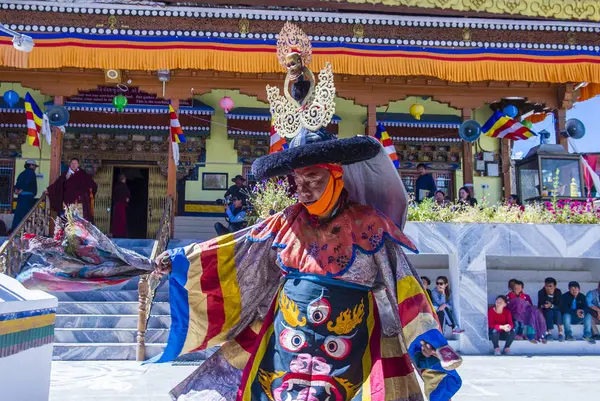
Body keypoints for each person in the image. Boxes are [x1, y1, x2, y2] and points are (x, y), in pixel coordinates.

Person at [153, 43, 463, 399]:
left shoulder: (369, 227)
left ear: (336, 176)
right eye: (297, 181)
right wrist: (181, 258)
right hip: (287, 340)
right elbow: (234, 247)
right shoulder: (286, 222)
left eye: (313, 178)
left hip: (347, 344)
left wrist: (427, 341)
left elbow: (405, 288)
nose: (303, 189)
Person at [11, 160, 38, 232]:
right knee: (26, 215)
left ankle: (14, 231)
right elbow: (27, 182)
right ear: (31, 165)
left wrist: (17, 190)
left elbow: (17, 185)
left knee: (18, 215)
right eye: (34, 166)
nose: (35, 167)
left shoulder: (21, 174)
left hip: (21, 197)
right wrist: (23, 189)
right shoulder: (31, 173)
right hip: (27, 198)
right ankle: (24, 232)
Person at [111, 174, 130, 238]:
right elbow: (127, 198)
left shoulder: (116, 186)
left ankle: (115, 234)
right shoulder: (124, 186)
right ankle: (122, 234)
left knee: (116, 220)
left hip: (116, 205)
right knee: (122, 220)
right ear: (124, 179)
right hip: (122, 206)